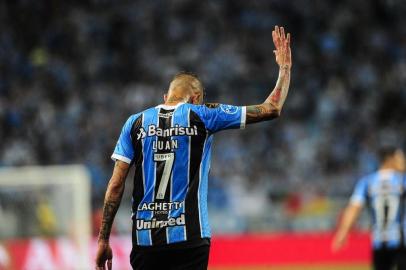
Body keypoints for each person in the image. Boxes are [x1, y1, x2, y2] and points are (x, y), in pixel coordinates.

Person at [95, 25, 292, 270]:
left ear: (165, 96)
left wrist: (103, 239)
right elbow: (271, 109)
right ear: (197, 98)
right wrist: (284, 68)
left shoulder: (134, 123)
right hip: (189, 239)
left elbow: (115, 187)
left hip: (145, 242)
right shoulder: (202, 114)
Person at [332, 146, 406, 270]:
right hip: (402, 243)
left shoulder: (367, 182)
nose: (404, 162)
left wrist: (343, 232)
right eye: (401, 158)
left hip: (378, 242)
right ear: (390, 159)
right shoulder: (402, 180)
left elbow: (354, 208)